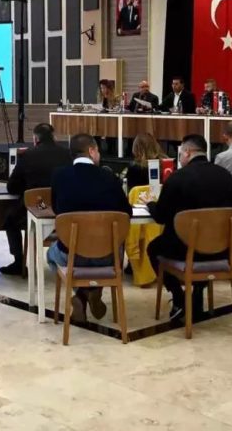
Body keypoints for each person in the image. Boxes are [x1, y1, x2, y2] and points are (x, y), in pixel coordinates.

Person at [144, 134, 232, 321]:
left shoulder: (177, 178)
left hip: (184, 249)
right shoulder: (226, 177)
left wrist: (150, 204)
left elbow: (161, 217)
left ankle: (179, 297)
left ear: (187, 152)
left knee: (153, 248)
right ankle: (198, 293)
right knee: (202, 242)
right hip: (221, 249)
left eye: (180, 153)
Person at [48, 134, 132, 322]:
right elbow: (127, 213)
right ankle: (90, 292)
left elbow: (57, 210)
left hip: (72, 253)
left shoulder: (59, 176)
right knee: (118, 254)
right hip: (107, 255)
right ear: (92, 151)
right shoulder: (109, 177)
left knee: (50, 255)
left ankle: (81, 294)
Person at [1, 123, 72, 276]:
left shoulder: (28, 155)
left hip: (36, 208)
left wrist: (27, 188)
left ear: (35, 139)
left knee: (9, 220)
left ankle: (19, 262)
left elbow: (11, 187)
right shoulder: (67, 154)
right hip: (63, 211)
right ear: (54, 137)